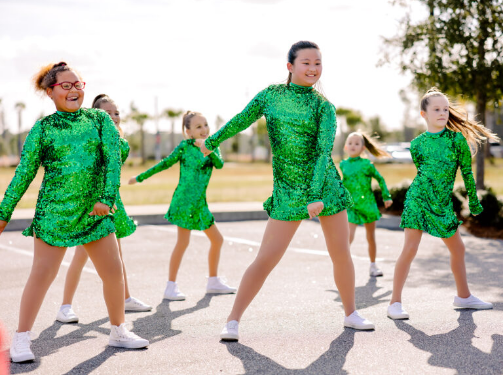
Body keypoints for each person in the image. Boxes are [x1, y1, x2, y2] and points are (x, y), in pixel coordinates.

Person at [196, 41, 375, 341]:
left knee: (341, 253)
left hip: (324, 188)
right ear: (290, 66)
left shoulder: (324, 107)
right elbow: (242, 119)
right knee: (266, 258)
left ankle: (351, 313)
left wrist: (316, 194)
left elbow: (323, 152)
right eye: (306, 62)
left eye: (318, 63)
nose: (313, 69)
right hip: (288, 190)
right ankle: (232, 320)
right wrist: (212, 141)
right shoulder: (271, 95)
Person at [0, 62, 148, 363]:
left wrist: (107, 198)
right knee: (42, 274)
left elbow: (114, 159)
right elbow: (24, 174)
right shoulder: (42, 129)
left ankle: (118, 329)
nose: (74, 90)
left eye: (78, 84)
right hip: (53, 213)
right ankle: (21, 338)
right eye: (66, 86)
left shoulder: (99, 120)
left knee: (113, 272)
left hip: (95, 213)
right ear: (50, 91)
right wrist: (4, 213)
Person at [388, 87, 499, 320]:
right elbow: (423, 173)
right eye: (436, 109)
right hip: (418, 199)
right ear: (423, 114)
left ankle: (463, 297)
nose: (442, 113)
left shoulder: (457, 140)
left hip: (442, 204)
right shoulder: (417, 144)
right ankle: (394, 303)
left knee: (458, 248)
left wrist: (474, 199)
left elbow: (467, 173)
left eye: (446, 109)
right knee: (409, 249)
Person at [56, 94, 151, 325]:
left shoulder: (121, 143)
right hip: (92, 204)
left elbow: (113, 171)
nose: (113, 117)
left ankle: (125, 298)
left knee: (116, 256)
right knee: (81, 255)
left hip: (111, 202)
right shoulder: (90, 139)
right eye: (107, 113)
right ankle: (65, 306)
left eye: (116, 113)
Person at [129, 111, 236, 300]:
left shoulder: (212, 145)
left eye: (205, 125)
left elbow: (219, 165)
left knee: (217, 240)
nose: (204, 130)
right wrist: (139, 177)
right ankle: (171, 286)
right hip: (184, 201)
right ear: (188, 132)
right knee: (183, 242)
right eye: (198, 127)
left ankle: (213, 281)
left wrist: (208, 148)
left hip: (199, 203)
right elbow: (164, 164)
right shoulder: (184, 147)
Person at [340, 131, 393, 277]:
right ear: (345, 147)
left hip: (367, 205)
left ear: (363, 148)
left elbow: (380, 179)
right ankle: (343, 266)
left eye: (357, 143)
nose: (353, 146)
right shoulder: (343, 164)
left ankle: (373, 266)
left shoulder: (366, 164)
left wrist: (386, 196)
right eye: (350, 143)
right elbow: (342, 184)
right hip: (352, 207)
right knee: (348, 237)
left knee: (370, 237)